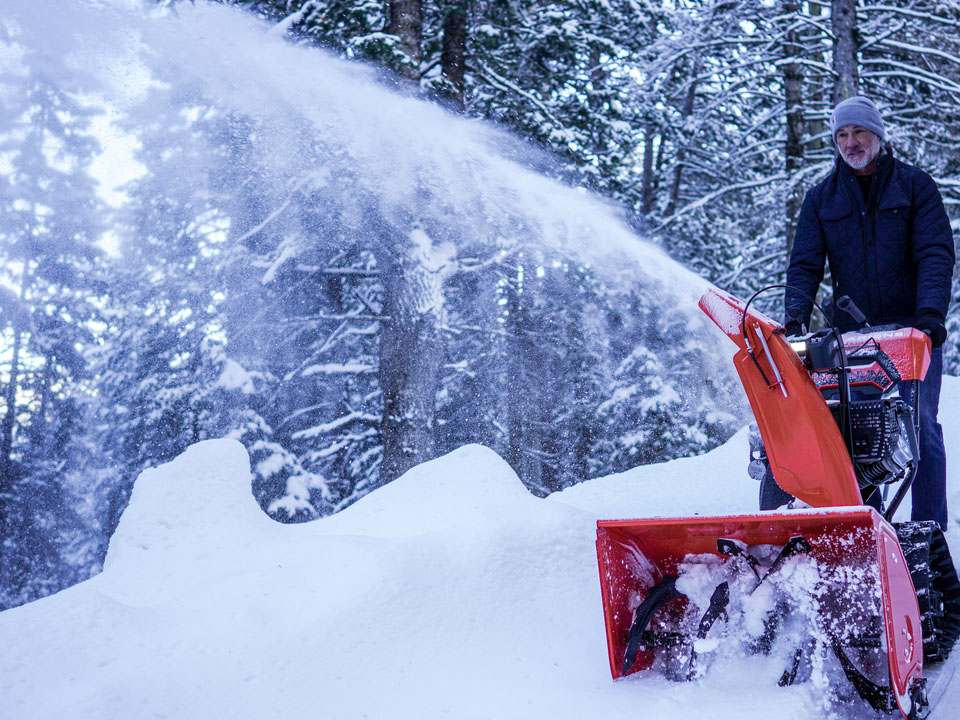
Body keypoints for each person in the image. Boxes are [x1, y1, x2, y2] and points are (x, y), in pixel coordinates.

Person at [783, 95, 956, 529]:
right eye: (842, 134)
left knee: (921, 429)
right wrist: (794, 320)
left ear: (877, 135)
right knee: (856, 430)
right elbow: (804, 264)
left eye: (859, 131)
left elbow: (936, 253)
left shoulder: (915, 187)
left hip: (912, 332)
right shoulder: (822, 198)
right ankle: (873, 530)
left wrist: (930, 315)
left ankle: (927, 531)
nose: (850, 142)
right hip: (854, 338)